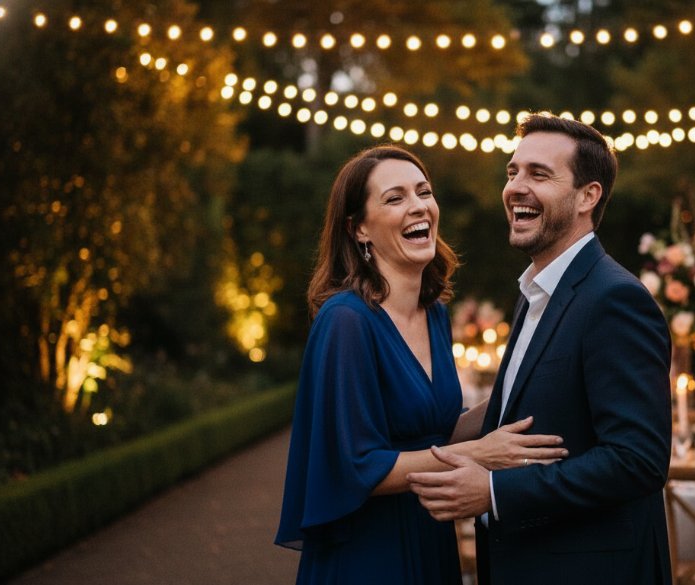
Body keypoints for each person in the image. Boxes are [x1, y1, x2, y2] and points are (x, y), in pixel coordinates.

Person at [274, 145, 568, 585]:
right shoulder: (347, 322)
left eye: (423, 192)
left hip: (430, 535)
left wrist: (526, 384)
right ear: (359, 230)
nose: (418, 207)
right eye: (394, 199)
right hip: (369, 553)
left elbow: (435, 431)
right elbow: (357, 467)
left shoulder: (434, 315)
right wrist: (476, 455)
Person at [408, 114, 673, 584]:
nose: (515, 187)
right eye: (513, 172)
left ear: (587, 196)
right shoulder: (538, 292)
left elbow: (638, 460)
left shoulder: (615, 298)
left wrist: (493, 491)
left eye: (539, 174)